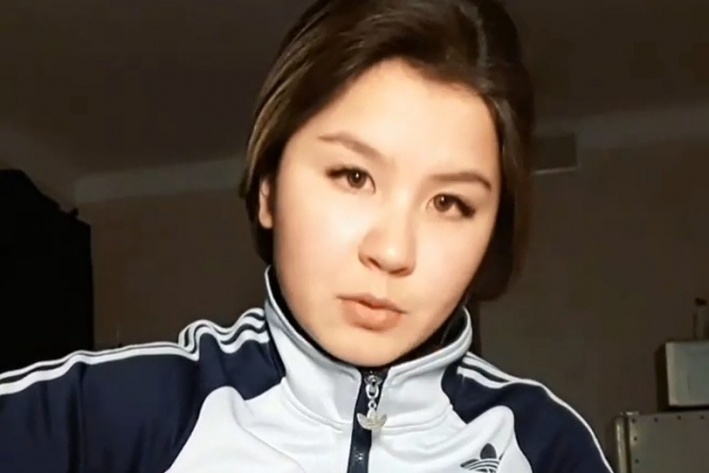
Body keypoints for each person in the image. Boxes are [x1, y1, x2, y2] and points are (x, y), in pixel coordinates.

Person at [0, 0, 613, 472]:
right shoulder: (111, 415)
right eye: (353, 176)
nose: (392, 251)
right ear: (269, 188)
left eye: (449, 203)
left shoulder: (543, 446)